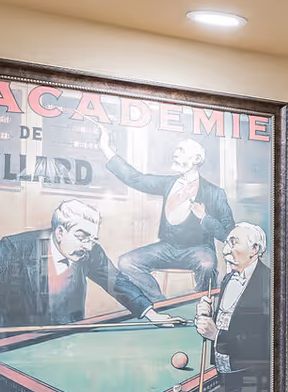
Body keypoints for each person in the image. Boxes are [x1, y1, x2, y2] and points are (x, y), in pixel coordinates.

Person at [0, 200, 180, 392]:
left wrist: (150, 313)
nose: (88, 245)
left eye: (93, 239)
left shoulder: (88, 251)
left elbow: (117, 282)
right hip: (12, 338)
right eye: (82, 237)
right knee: (7, 391)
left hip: (61, 336)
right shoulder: (14, 248)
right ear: (60, 232)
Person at [87, 121, 234, 299]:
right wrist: (105, 147)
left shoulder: (215, 193)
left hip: (199, 249)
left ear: (196, 159)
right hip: (167, 247)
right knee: (127, 262)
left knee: (207, 264)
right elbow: (136, 178)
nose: (175, 153)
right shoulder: (168, 183)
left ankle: (203, 308)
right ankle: (160, 304)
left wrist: (205, 218)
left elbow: (228, 234)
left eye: (180, 151)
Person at [195, 222, 273, 392]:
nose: (225, 249)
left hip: (251, 381)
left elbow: (262, 343)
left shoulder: (268, 283)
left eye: (233, 242)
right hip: (225, 377)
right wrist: (207, 314)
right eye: (226, 242)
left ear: (255, 250)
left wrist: (215, 335)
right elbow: (231, 321)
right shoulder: (228, 279)